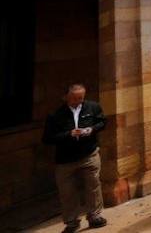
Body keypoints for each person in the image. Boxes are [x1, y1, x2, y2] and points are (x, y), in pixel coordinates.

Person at [42, 83, 108, 232]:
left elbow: (102, 122)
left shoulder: (92, 107)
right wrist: (68, 134)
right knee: (67, 192)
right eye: (75, 98)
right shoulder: (55, 115)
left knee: (93, 186)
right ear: (65, 97)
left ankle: (94, 216)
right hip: (66, 159)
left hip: (89, 154)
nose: (78, 101)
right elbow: (47, 138)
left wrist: (92, 129)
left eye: (81, 98)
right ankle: (72, 222)